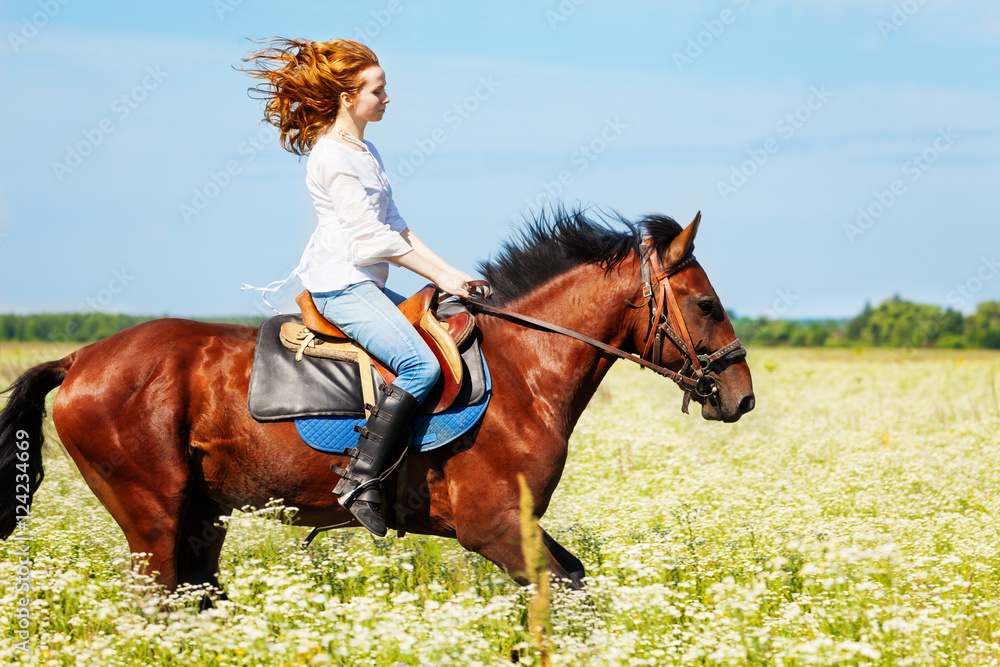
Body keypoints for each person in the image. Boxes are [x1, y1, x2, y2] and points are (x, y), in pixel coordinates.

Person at [243, 38, 473, 537]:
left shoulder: (366, 149)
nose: (388, 98)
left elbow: (396, 225)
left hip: (364, 281)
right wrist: (437, 275)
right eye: (379, 90)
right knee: (419, 364)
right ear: (349, 98)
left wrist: (450, 274)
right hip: (341, 286)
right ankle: (360, 479)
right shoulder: (334, 157)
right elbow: (370, 240)